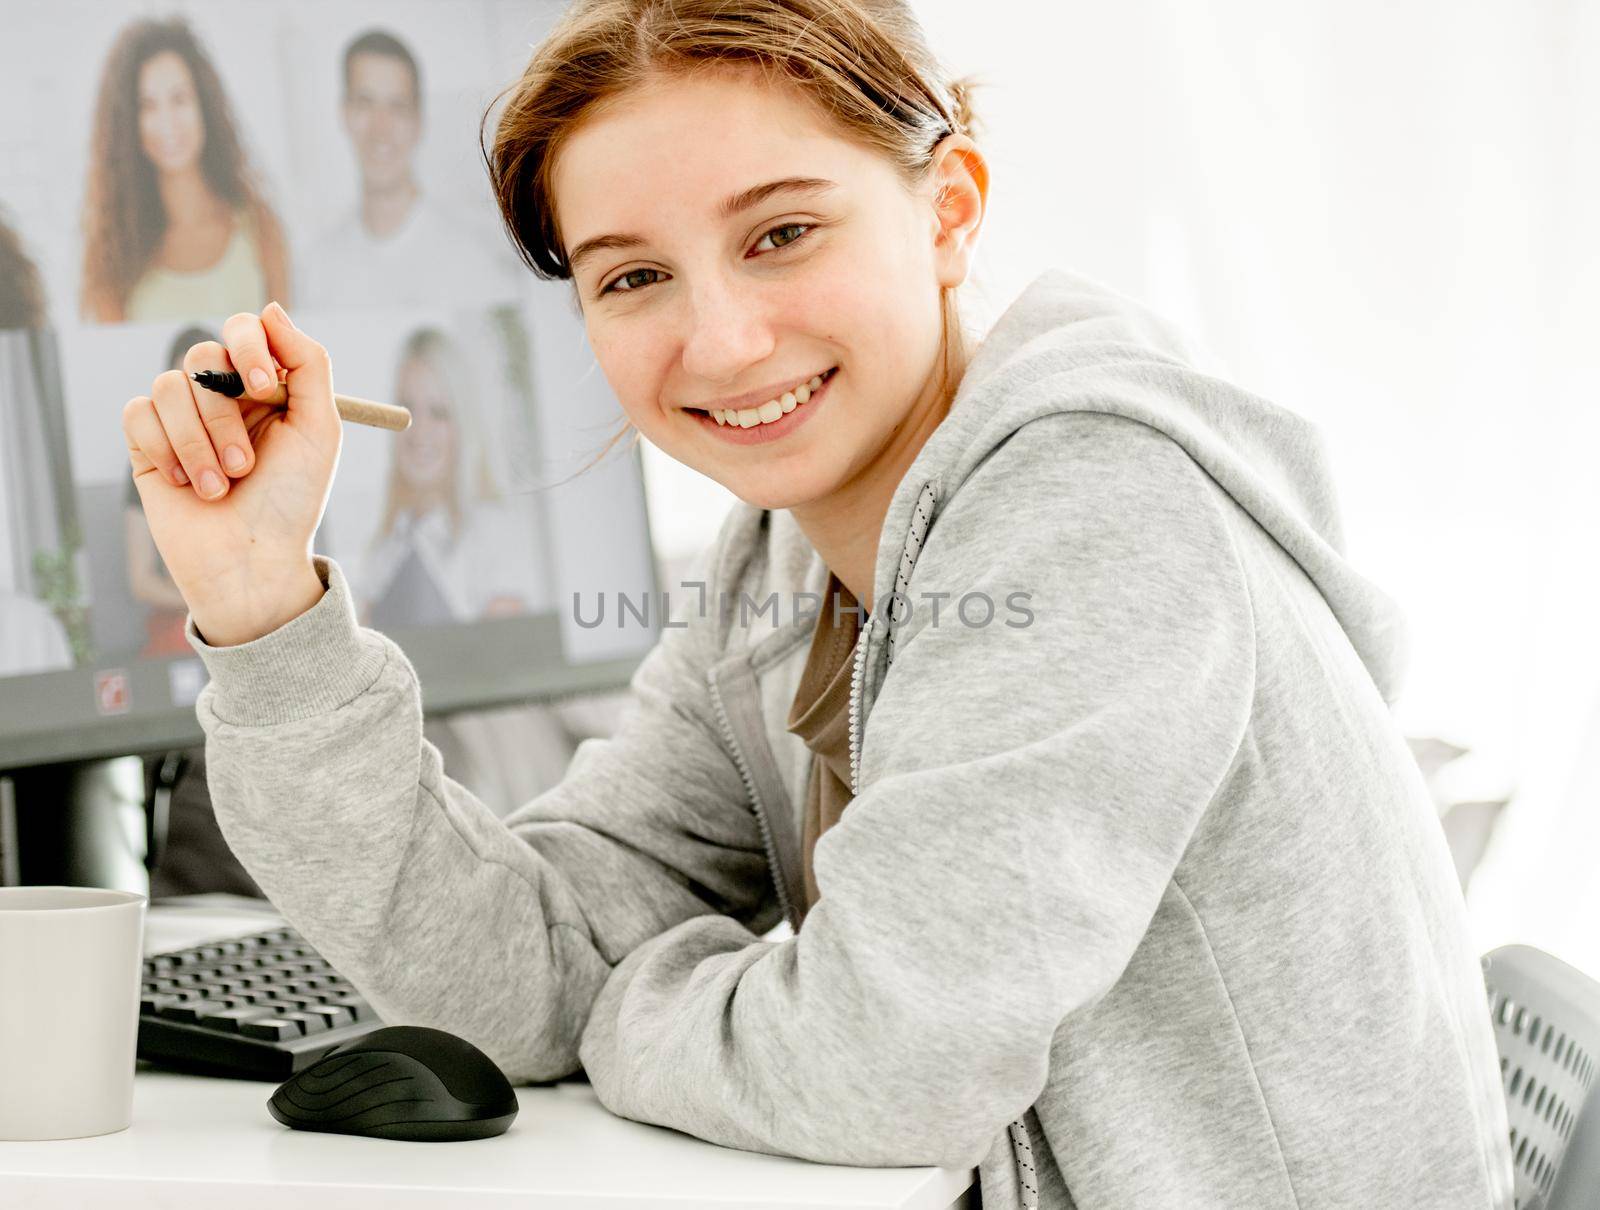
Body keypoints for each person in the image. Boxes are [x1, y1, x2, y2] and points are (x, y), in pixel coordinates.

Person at [118, 3, 1515, 1207]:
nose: (721, 339)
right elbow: (510, 971)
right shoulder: (776, 567)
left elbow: (885, 1057)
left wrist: (621, 1006)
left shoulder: (1098, 502)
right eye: (635, 276)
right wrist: (264, 608)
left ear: (949, 207)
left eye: (782, 233)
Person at [80, 16, 289, 323]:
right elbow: (115, 359)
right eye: (148, 106)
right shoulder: (113, 252)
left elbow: (285, 354)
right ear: (127, 124)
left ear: (203, 104)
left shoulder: (258, 227)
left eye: (179, 99)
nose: (167, 122)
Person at [299, 29, 520, 310]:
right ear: (344, 113)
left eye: (397, 107)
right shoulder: (316, 270)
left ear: (418, 122)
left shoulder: (474, 262)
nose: (381, 128)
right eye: (365, 103)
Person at [355, 326, 551, 627]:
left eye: (438, 413)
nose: (419, 430)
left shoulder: (496, 535)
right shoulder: (382, 549)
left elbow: (505, 654)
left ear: (463, 424)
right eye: (406, 409)